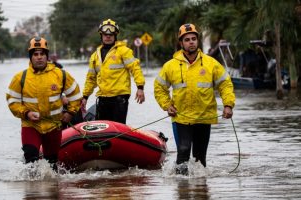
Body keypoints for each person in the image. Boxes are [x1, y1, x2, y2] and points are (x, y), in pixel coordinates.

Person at [154, 23, 235, 175]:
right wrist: (166, 105)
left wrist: (228, 105)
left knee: (200, 158)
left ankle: (201, 190)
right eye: (187, 39)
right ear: (181, 43)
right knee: (183, 151)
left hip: (204, 117)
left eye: (193, 39)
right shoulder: (170, 66)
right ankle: (182, 189)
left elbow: (225, 84)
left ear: (197, 41)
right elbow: (159, 87)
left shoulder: (211, 64)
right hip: (181, 117)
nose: (191, 42)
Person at [6, 37, 82, 170]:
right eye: (35, 54)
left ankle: (53, 190)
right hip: (30, 125)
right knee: (30, 159)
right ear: (31, 57)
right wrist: (26, 113)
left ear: (47, 56)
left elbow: (75, 95)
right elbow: (12, 101)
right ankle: (31, 191)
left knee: (52, 164)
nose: (39, 57)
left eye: (42, 54)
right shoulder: (20, 78)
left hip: (54, 126)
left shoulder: (61, 75)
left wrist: (70, 113)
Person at [81, 19, 145, 124]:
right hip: (102, 99)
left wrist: (140, 88)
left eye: (111, 34)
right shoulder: (95, 56)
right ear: (101, 35)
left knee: (117, 130)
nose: (108, 36)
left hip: (119, 99)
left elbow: (135, 68)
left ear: (115, 36)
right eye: (105, 34)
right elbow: (91, 79)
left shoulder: (123, 51)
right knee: (103, 130)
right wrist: (85, 97)